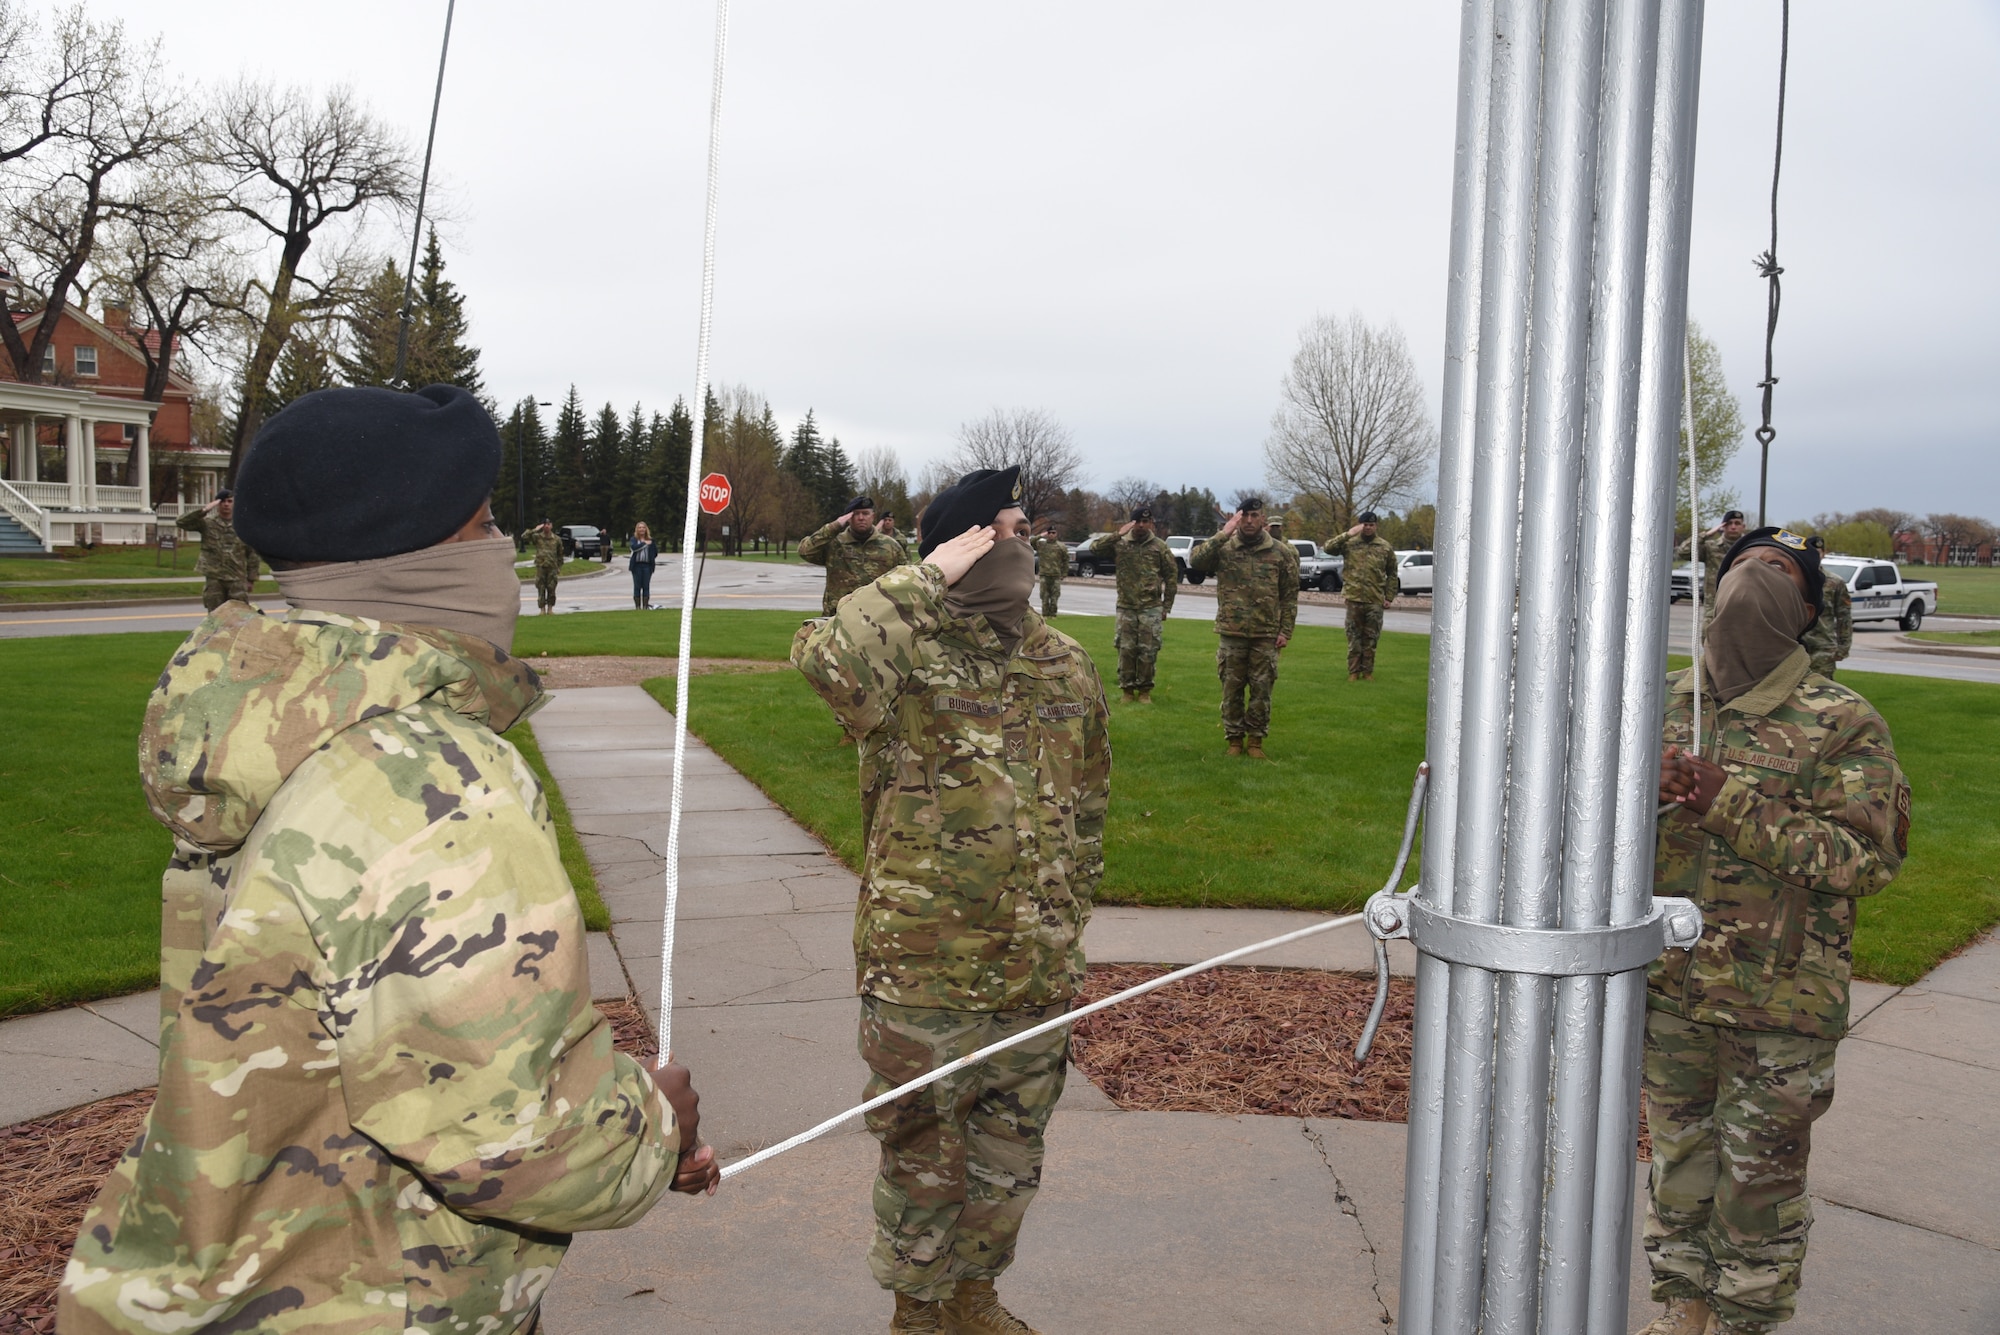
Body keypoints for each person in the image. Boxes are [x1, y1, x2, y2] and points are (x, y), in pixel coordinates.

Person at [60, 385, 718, 1335]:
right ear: (423, 556)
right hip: (380, 1301)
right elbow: (509, 1135)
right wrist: (653, 1125)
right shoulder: (432, 785)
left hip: (271, 1270)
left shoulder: (286, 725)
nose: (500, 548)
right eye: (486, 523)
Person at [792, 465, 1110, 1335]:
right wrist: (925, 576)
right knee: (924, 1158)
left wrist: (1066, 928)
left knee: (1010, 1157)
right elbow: (824, 657)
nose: (1023, 544)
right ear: (960, 547)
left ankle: (976, 1300)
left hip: (1032, 968)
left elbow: (1087, 808)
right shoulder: (903, 658)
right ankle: (919, 1313)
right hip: (926, 968)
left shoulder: (1063, 661)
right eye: (1002, 529)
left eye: (1023, 529)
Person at [1641, 526, 1909, 1335]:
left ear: (1806, 607)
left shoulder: (1843, 721)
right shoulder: (1667, 703)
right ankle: (1682, 1315)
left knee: (1758, 1189)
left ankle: (1739, 1324)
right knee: (1679, 1169)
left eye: (1779, 568)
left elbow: (1868, 858)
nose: (1755, 575)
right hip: (1671, 994)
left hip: (1780, 1006)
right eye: (1743, 564)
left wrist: (1727, 800)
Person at [1188, 497, 1298, 758]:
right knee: (1232, 689)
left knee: (1262, 691)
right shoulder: (1225, 548)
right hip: (1232, 633)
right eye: (1244, 516)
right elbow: (1196, 562)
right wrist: (1223, 533)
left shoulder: (1281, 552)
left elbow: (1290, 595)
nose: (1249, 521)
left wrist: (1285, 631)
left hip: (1266, 634)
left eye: (1254, 515)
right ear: (1237, 518)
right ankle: (1235, 741)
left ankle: (1256, 742)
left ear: (1263, 519)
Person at [1084, 507, 1179, 702]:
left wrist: (1166, 606)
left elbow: (1171, 577)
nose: (1141, 526)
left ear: (1151, 523)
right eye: (1137, 522)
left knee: (1148, 651)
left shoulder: (1159, 547)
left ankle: (1144, 691)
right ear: (1131, 523)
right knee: (1126, 649)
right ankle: (1127, 690)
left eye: (1145, 522)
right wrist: (1117, 534)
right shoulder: (1120, 544)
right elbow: (1095, 548)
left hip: (1150, 607)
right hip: (1126, 606)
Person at [799, 494, 911, 616]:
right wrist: (834, 526)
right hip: (838, 618)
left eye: (865, 513)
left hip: (877, 620)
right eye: (856, 514)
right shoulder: (835, 544)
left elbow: (906, 581)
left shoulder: (890, 546)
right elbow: (805, 551)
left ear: (873, 516)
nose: (861, 518)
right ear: (848, 518)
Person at [1324, 511, 1401, 680]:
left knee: (1371, 639)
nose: (1368, 528)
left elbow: (1392, 574)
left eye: (1371, 525)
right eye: (1365, 525)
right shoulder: (1349, 543)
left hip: (1374, 599)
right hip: (1354, 598)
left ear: (1376, 526)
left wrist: (1389, 597)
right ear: (1359, 525)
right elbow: (1328, 548)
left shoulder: (1384, 547)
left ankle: (1367, 672)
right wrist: (1348, 534)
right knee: (1353, 638)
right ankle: (1353, 672)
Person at [174, 489, 261, 610]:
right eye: (222, 502)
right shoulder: (207, 524)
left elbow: (252, 554)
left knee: (238, 615)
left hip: (236, 578)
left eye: (229, 501)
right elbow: (181, 522)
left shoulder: (243, 525)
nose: (226, 504)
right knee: (215, 616)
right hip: (214, 577)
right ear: (217, 504)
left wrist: (251, 579)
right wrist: (204, 510)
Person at [1679, 508, 1747, 624]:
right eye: (1729, 523)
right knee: (1709, 640)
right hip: (1714, 607)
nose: (1733, 527)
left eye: (1737, 523)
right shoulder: (1711, 547)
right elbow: (1683, 552)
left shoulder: (1750, 547)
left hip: (1743, 605)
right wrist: (1706, 534)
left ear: (1743, 526)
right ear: (1723, 526)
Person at [1799, 535, 1852, 678]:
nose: (1816, 555)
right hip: (1797, 646)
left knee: (1820, 693)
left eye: (1819, 551)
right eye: (1812, 551)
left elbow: (1844, 616)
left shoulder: (1835, 582)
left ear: (1824, 553)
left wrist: (1843, 648)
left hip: (1823, 648)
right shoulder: (1795, 580)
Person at [1032, 522, 1068, 618]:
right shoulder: (1042, 545)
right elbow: (1031, 542)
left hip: (1056, 575)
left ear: (1056, 534)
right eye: (1050, 533)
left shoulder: (1061, 546)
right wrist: (1041, 535)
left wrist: (1064, 573)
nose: (1051, 535)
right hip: (1044, 574)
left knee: (1055, 596)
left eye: (1053, 533)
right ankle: (1045, 614)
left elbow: (1066, 560)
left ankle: (1053, 614)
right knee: (1044, 596)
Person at [532, 517, 563, 614]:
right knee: (541, 588)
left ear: (551, 526)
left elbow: (560, 554)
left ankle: (550, 608)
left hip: (552, 567)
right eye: (545, 524)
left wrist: (559, 567)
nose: (546, 526)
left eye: (548, 524)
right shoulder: (538, 537)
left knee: (551, 588)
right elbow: (524, 537)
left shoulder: (557, 539)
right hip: (541, 567)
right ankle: (542, 609)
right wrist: (535, 529)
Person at [630, 520, 660, 609]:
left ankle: (645, 606)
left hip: (647, 566)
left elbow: (655, 552)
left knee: (646, 585)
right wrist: (644, 543)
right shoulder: (634, 539)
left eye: (643, 527)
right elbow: (634, 548)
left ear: (646, 529)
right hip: (636, 566)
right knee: (637, 586)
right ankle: (638, 606)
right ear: (637, 529)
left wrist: (650, 557)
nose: (642, 529)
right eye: (640, 528)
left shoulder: (651, 540)